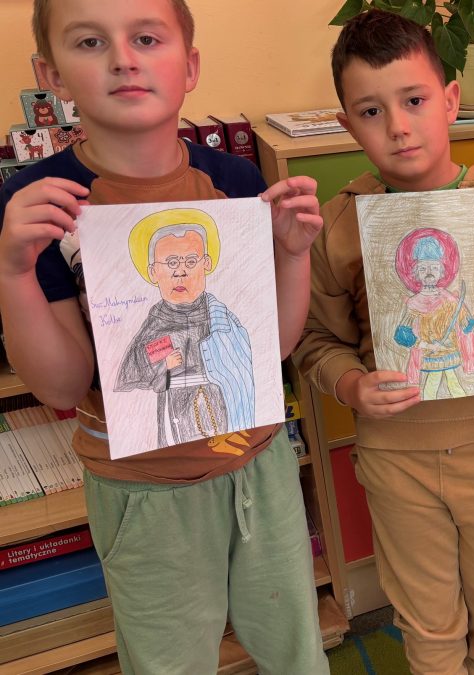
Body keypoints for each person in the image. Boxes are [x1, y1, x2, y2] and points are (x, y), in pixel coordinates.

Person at [0, 1, 328, 672]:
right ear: (51, 75)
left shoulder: (234, 182)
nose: (124, 58)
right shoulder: (41, 203)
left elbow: (271, 348)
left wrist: (293, 255)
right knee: (168, 662)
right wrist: (13, 272)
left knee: (296, 649)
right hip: (141, 491)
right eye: (90, 42)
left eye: (147, 38)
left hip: (257, 465)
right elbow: (62, 385)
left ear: (190, 66)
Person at [292, 10, 474, 674]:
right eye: (371, 111)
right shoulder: (340, 225)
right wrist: (351, 384)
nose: (397, 125)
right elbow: (316, 340)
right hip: (398, 458)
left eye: (414, 100)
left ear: (449, 101)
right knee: (426, 617)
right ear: (348, 125)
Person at [116, 210, 254, 447]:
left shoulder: (222, 319)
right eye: (171, 263)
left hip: (220, 412)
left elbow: (241, 371)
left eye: (190, 261)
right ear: (153, 272)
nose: (180, 272)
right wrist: (165, 366)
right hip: (176, 416)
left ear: (206, 264)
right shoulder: (155, 324)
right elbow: (135, 375)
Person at [391, 229, 474, 399]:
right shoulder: (414, 303)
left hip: (449, 353)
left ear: (441, 272)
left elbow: (466, 327)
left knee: (452, 382)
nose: (429, 272)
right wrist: (427, 346)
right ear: (416, 274)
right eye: (423, 268)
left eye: (434, 267)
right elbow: (402, 335)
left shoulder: (450, 300)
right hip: (431, 354)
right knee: (434, 383)